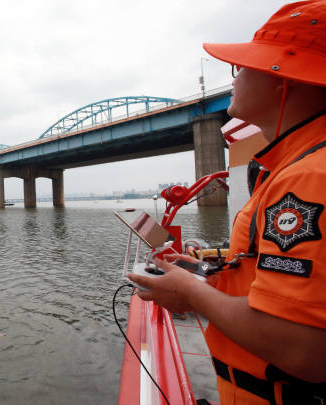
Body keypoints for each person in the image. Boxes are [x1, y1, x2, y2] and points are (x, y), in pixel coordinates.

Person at [129, 2, 326, 404]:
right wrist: (208, 272)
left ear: (282, 81)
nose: (234, 78)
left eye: (243, 68)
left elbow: (303, 349)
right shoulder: (292, 165)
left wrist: (191, 292)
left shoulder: (308, 177)